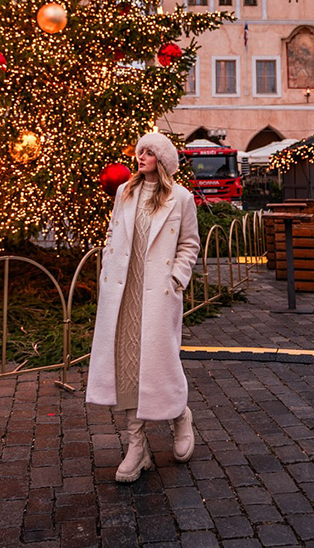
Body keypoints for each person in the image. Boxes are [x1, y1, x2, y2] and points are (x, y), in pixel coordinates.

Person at [86, 132, 201, 483]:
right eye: (140, 151)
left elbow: (189, 244)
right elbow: (111, 234)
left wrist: (176, 279)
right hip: (121, 292)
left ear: (162, 161)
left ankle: (180, 414)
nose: (141, 157)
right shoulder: (125, 191)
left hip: (157, 293)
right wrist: (108, 266)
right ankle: (137, 446)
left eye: (149, 153)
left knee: (159, 363)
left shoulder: (180, 198)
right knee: (126, 366)